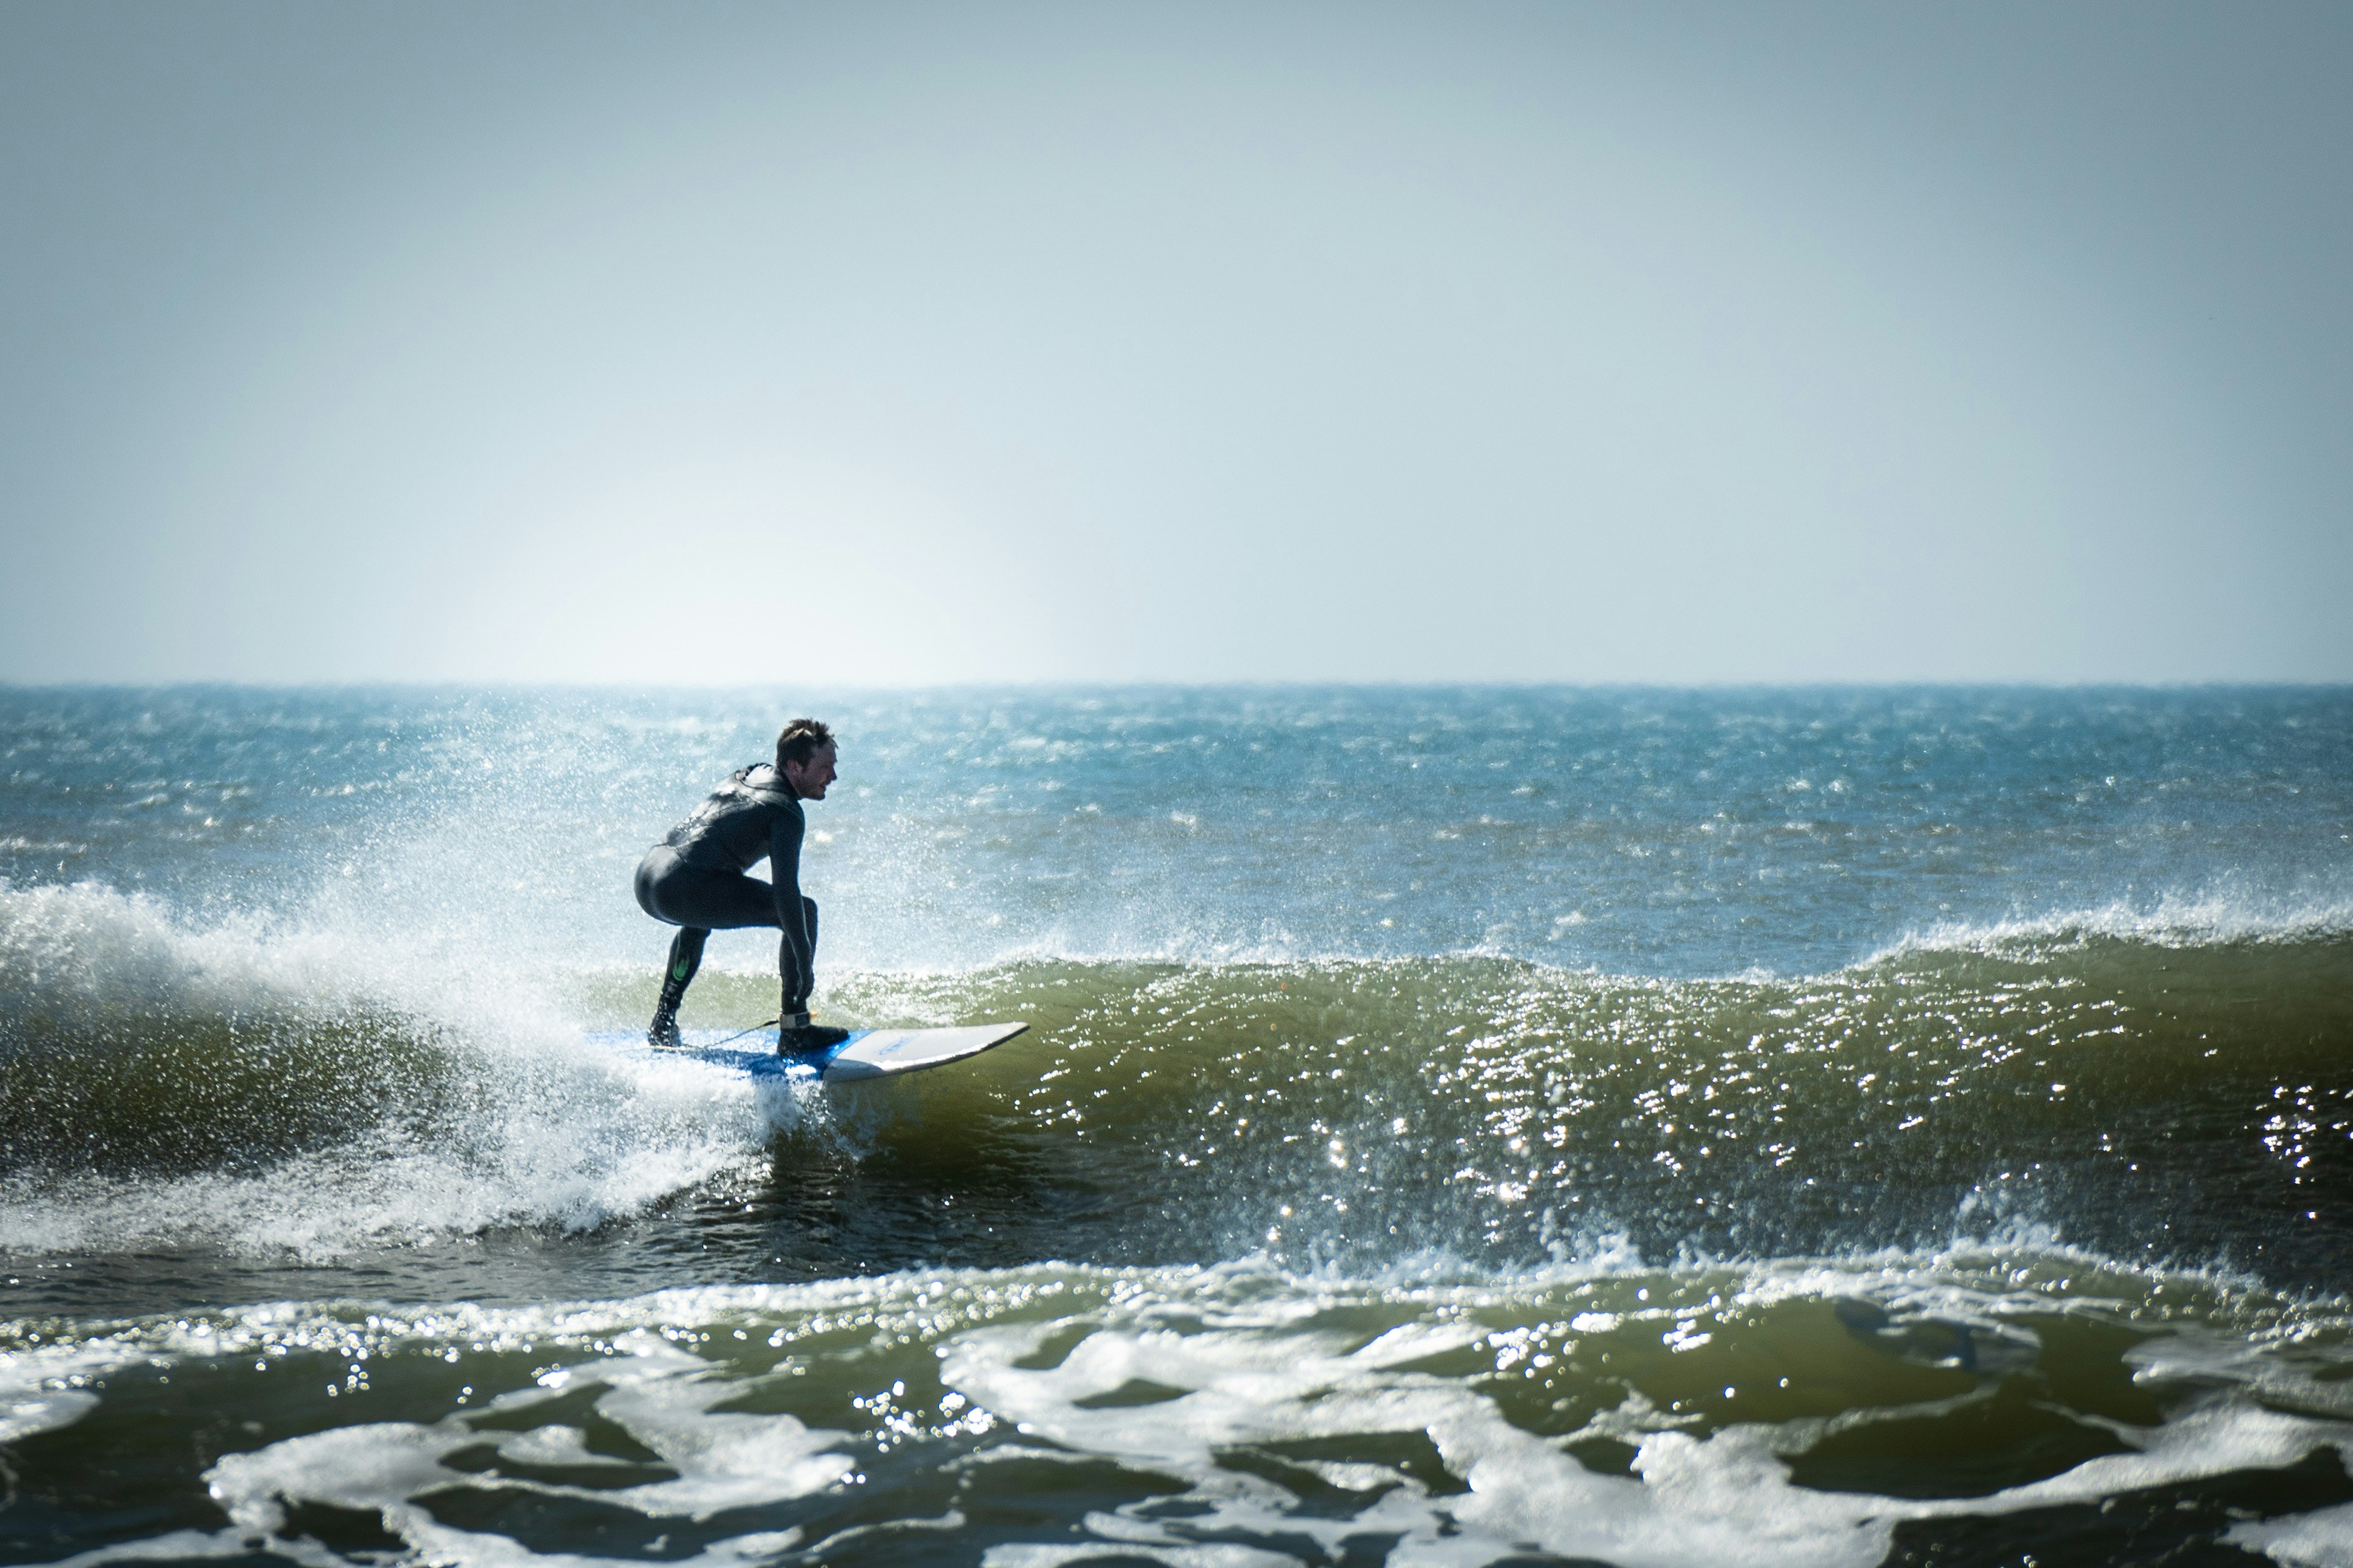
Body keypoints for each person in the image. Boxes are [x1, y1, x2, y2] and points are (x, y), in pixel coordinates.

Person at [634, 717, 847, 1053]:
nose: (833, 777)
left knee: (700, 914)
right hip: (682, 886)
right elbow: (786, 893)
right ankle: (795, 1030)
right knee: (804, 911)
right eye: (825, 768)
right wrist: (805, 963)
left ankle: (663, 1023)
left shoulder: (750, 773)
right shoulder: (786, 812)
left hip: (650, 876)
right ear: (795, 766)